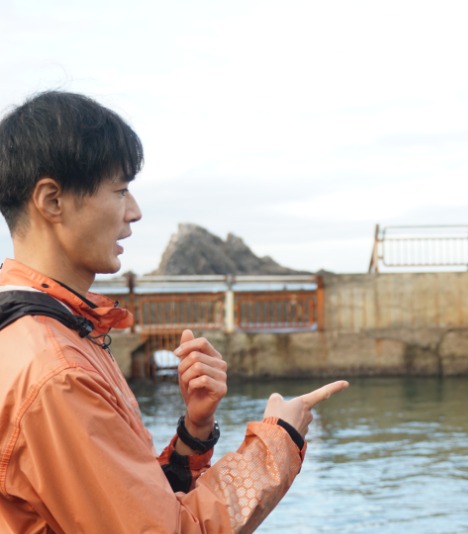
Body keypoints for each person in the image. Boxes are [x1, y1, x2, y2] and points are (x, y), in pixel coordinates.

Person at [0, 90, 348, 533]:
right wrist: (280, 438)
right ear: (51, 201)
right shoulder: (55, 373)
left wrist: (194, 431)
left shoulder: (43, 333)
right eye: (120, 190)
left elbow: (122, 507)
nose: (135, 212)